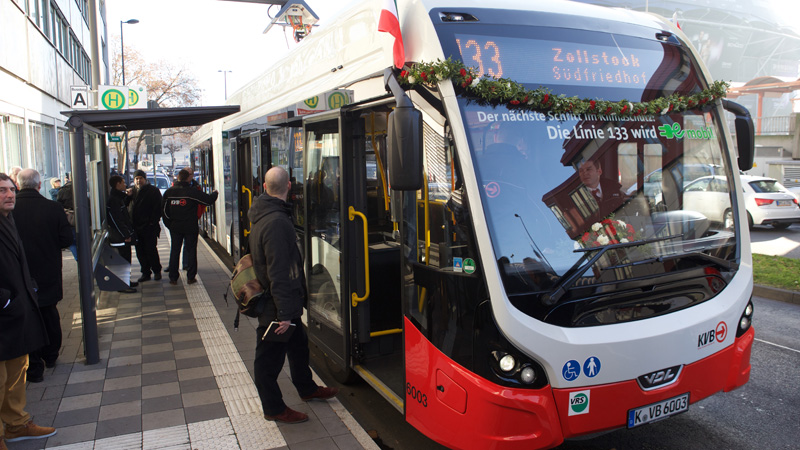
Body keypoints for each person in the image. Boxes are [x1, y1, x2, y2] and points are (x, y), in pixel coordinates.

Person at [250, 167, 338, 424]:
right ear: (289, 185)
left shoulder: (265, 213)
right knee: (267, 362)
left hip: (282, 303)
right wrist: (285, 315)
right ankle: (274, 408)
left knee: (299, 346)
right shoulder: (277, 222)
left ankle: (307, 388)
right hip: (277, 307)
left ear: (265, 187)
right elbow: (279, 271)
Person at [0, 173, 58, 447]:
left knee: (16, 374)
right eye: (2, 191)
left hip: (17, 314)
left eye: (11, 189)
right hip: (4, 314)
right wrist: (5, 300)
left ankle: (16, 425)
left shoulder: (8, 220)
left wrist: (29, 288)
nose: (9, 195)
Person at [13, 169, 72, 382]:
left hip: (20, 274)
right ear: (39, 185)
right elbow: (66, 239)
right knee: (49, 313)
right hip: (48, 271)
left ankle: (34, 361)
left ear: (18, 186)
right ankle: (51, 354)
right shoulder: (53, 208)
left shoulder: (10, 211)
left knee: (28, 316)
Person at [161, 169, 218, 285]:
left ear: (178, 177)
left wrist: (170, 225)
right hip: (190, 227)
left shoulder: (169, 193)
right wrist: (215, 193)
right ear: (188, 178)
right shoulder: (191, 192)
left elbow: (164, 211)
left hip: (175, 227)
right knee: (191, 251)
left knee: (175, 251)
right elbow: (208, 200)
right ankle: (191, 277)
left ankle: (173, 278)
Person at [129, 170, 163, 282]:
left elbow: (158, 208)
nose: (138, 181)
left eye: (140, 178)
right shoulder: (131, 192)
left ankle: (157, 271)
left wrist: (152, 222)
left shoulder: (153, 191)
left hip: (149, 227)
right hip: (136, 228)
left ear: (145, 179)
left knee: (151, 250)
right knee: (140, 252)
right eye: (136, 179)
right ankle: (145, 272)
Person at [107, 175, 138, 292]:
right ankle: (122, 285)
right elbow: (117, 220)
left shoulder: (117, 198)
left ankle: (126, 281)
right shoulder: (113, 200)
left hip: (122, 236)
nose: (125, 185)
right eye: (123, 182)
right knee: (123, 261)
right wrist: (126, 235)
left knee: (126, 259)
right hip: (119, 237)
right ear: (118, 184)